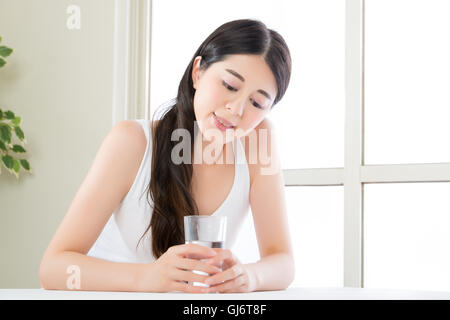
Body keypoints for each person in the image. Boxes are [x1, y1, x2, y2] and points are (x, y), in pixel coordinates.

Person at [39, 18, 294, 293]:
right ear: (198, 72)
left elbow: (283, 261)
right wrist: (146, 278)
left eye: (257, 103)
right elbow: (53, 269)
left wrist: (250, 277)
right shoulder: (132, 142)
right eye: (230, 85)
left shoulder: (259, 142)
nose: (236, 109)